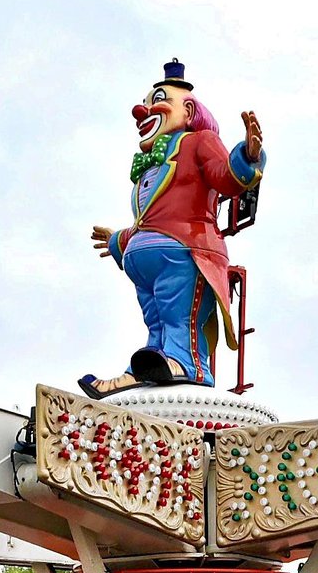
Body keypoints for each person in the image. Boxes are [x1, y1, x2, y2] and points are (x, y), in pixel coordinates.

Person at [81, 59, 265, 398]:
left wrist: (249, 156)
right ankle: (146, 368)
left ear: (189, 109)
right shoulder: (150, 168)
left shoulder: (199, 142)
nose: (144, 110)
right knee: (156, 321)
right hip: (150, 260)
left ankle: (187, 363)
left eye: (158, 99)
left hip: (185, 249)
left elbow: (226, 176)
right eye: (147, 102)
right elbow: (150, 218)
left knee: (177, 315)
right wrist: (121, 240)